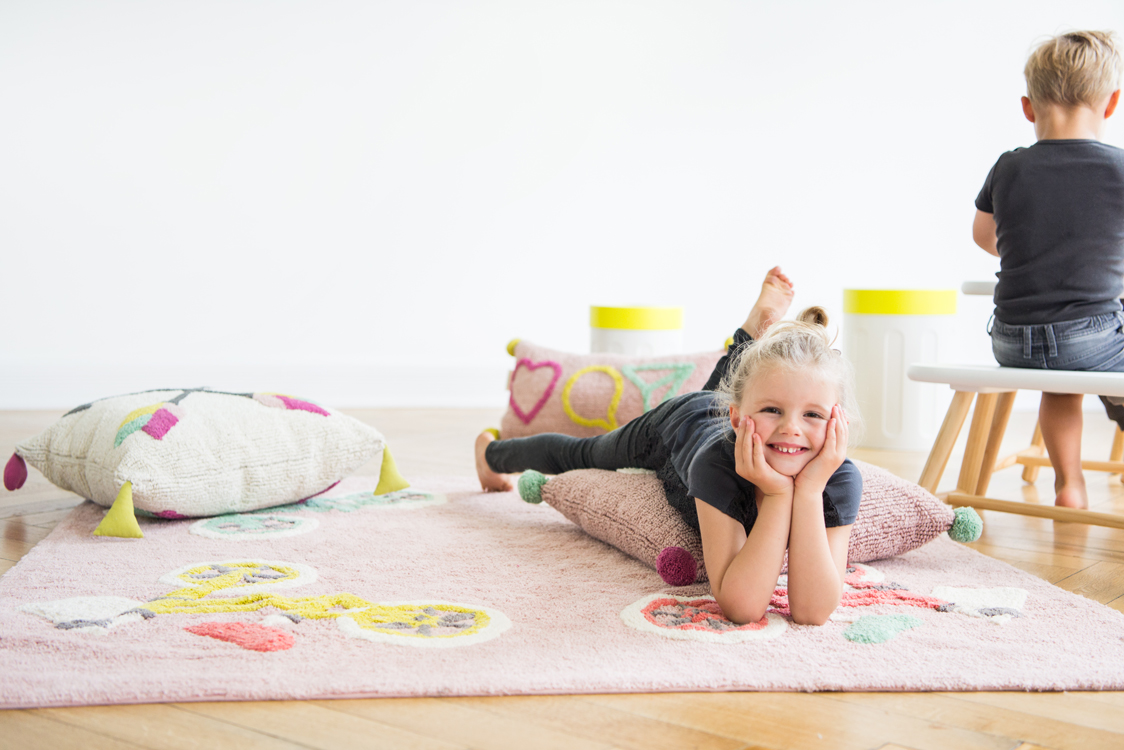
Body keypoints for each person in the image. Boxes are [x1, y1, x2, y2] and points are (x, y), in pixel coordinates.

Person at [475, 268, 863, 626]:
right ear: (738, 418)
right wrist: (779, 495)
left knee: (722, 395)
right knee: (583, 453)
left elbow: (813, 612)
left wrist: (809, 492)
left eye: (812, 414)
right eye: (773, 409)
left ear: (837, 421)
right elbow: (741, 606)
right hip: (675, 426)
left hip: (722, 413)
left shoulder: (839, 476)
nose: (791, 428)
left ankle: (751, 335)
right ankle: (492, 453)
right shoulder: (718, 464)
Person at [972, 30, 1124, 510]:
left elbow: (983, 235)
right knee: (1091, 351)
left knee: (1062, 383)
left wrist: (1036, 253)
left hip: (1011, 340)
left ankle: (1070, 485)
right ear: (1112, 103)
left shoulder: (1009, 168)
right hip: (1089, 337)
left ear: (1028, 107)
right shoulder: (1119, 169)